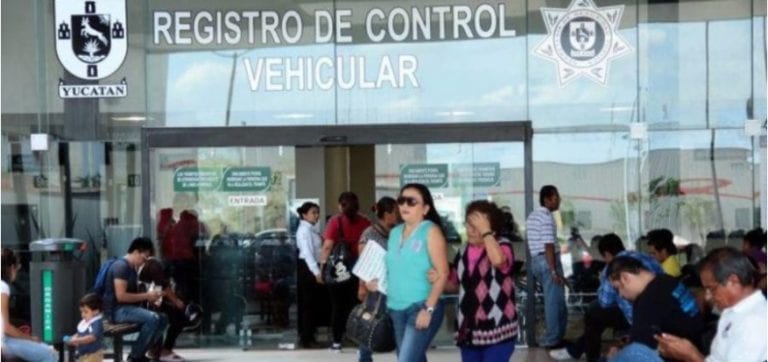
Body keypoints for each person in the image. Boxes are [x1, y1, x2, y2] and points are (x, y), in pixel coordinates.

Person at [549, 233, 664, 362]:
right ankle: (576, 350)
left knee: (594, 311)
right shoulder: (646, 258)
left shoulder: (614, 268)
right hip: (658, 316)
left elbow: (605, 302)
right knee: (597, 314)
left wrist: (603, 282)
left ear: (607, 254)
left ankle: (589, 356)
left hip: (637, 320)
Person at [656, 247, 767, 362]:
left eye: (712, 289)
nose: (708, 297)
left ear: (733, 281)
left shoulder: (755, 322)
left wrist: (691, 355)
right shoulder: (734, 310)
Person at [439, 200, 518, 362]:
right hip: (469, 330)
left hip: (498, 328)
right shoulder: (462, 251)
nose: (470, 230)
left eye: (477, 225)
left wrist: (486, 232)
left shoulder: (503, 245)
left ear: (491, 228)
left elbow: (498, 261)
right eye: (468, 224)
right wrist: (438, 279)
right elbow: (454, 286)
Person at [381, 183, 449, 362]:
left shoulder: (431, 231)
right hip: (395, 308)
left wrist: (428, 308)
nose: (404, 205)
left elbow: (442, 273)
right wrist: (375, 281)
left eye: (411, 201)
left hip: (421, 306)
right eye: (401, 200)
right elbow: (391, 269)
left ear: (425, 208)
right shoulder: (394, 233)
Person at [605, 255, 703, 361]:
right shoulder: (667, 280)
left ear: (625, 278)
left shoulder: (647, 300)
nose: (620, 295)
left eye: (617, 288)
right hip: (697, 345)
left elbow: (638, 350)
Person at [320, 192, 371, 352]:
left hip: (339, 269)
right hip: (359, 268)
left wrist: (322, 267)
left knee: (337, 307)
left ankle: (336, 343)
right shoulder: (365, 221)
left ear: (341, 205)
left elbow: (328, 246)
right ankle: (358, 342)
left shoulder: (335, 221)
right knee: (357, 306)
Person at [102, 237, 168, 362]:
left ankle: (141, 352)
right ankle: (135, 356)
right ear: (136, 252)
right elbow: (121, 296)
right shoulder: (121, 267)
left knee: (163, 319)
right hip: (116, 311)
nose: (144, 262)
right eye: (144, 258)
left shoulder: (132, 268)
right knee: (153, 319)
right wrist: (147, 296)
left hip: (127, 308)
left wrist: (151, 297)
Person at [357, 196, 399, 362]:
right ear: (387, 214)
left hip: (395, 286)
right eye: (395, 212)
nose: (398, 215)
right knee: (371, 323)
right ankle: (365, 358)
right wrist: (362, 286)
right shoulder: (369, 234)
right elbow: (363, 262)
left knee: (396, 324)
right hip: (375, 287)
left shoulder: (398, 232)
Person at [525, 185, 567, 349]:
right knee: (554, 302)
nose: (559, 200)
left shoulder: (533, 216)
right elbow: (548, 244)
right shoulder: (546, 217)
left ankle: (556, 336)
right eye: (556, 197)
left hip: (537, 260)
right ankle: (552, 339)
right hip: (548, 260)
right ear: (547, 199)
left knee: (555, 300)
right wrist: (553, 270)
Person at [1, 248, 57, 362]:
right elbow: (5, 326)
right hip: (3, 342)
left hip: (5, 339)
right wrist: (29, 338)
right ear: (11, 268)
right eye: (18, 268)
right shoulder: (3, 287)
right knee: (50, 353)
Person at [138, 245, 188, 361]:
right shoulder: (152, 264)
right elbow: (162, 285)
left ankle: (160, 350)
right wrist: (176, 301)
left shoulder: (146, 265)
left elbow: (159, 286)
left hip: (153, 301)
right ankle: (158, 350)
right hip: (151, 303)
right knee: (172, 317)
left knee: (176, 317)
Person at [295, 201, 324, 348]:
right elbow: (307, 253)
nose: (316, 215)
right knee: (308, 304)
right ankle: (306, 337)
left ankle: (310, 335)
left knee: (313, 304)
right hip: (308, 269)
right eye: (313, 212)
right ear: (304, 215)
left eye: (317, 212)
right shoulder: (304, 231)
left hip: (312, 267)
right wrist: (316, 272)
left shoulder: (311, 229)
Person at [64, 293, 105, 362]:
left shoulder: (96, 323)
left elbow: (92, 338)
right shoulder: (87, 320)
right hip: (84, 355)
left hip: (93, 355)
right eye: (81, 312)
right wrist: (73, 337)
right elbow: (80, 332)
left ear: (96, 311)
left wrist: (77, 340)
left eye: (86, 312)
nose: (82, 315)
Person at [742, 227, 766, 292]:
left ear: (753, 246)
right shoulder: (762, 255)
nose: (742, 246)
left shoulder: (753, 256)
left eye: (744, 243)